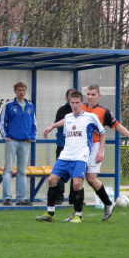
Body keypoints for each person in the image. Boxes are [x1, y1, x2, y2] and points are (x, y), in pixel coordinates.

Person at [66, 84, 129, 221]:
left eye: (93, 94)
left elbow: (117, 126)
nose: (90, 97)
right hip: (80, 148)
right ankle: (78, 214)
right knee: (78, 180)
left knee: (90, 179)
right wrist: (52, 126)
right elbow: (67, 119)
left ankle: (107, 203)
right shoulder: (80, 107)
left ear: (99, 96)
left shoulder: (103, 111)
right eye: (88, 94)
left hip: (95, 146)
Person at [37, 91, 105, 223]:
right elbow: (65, 120)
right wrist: (51, 126)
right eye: (72, 103)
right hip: (65, 156)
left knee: (77, 183)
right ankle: (50, 213)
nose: (74, 105)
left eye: (77, 103)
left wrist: (100, 151)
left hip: (81, 156)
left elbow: (102, 133)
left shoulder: (91, 117)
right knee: (52, 179)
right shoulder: (68, 117)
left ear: (82, 103)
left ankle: (78, 215)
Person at [0, 82, 36, 206]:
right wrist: (7, 137)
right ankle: (7, 197)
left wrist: (32, 137)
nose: (22, 92)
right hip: (12, 141)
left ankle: (21, 198)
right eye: (19, 90)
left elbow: (34, 124)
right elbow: (2, 123)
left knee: (22, 171)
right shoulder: (9, 106)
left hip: (25, 142)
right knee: (8, 169)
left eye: (24, 90)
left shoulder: (30, 106)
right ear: (15, 91)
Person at [53, 88, 76, 205]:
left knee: (76, 173)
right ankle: (58, 197)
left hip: (76, 147)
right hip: (63, 146)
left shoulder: (82, 112)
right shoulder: (62, 110)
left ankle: (74, 198)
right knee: (60, 171)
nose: (73, 98)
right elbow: (60, 123)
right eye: (71, 96)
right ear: (67, 98)